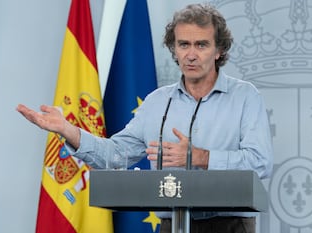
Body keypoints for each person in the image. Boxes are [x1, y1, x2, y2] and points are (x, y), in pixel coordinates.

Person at [17, 3, 273, 233]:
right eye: (183, 44)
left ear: (218, 50)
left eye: (201, 45)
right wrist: (67, 129)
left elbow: (261, 162)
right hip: (171, 224)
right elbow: (115, 154)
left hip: (229, 227)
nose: (191, 54)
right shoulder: (157, 102)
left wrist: (201, 157)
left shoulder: (245, 97)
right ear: (174, 49)